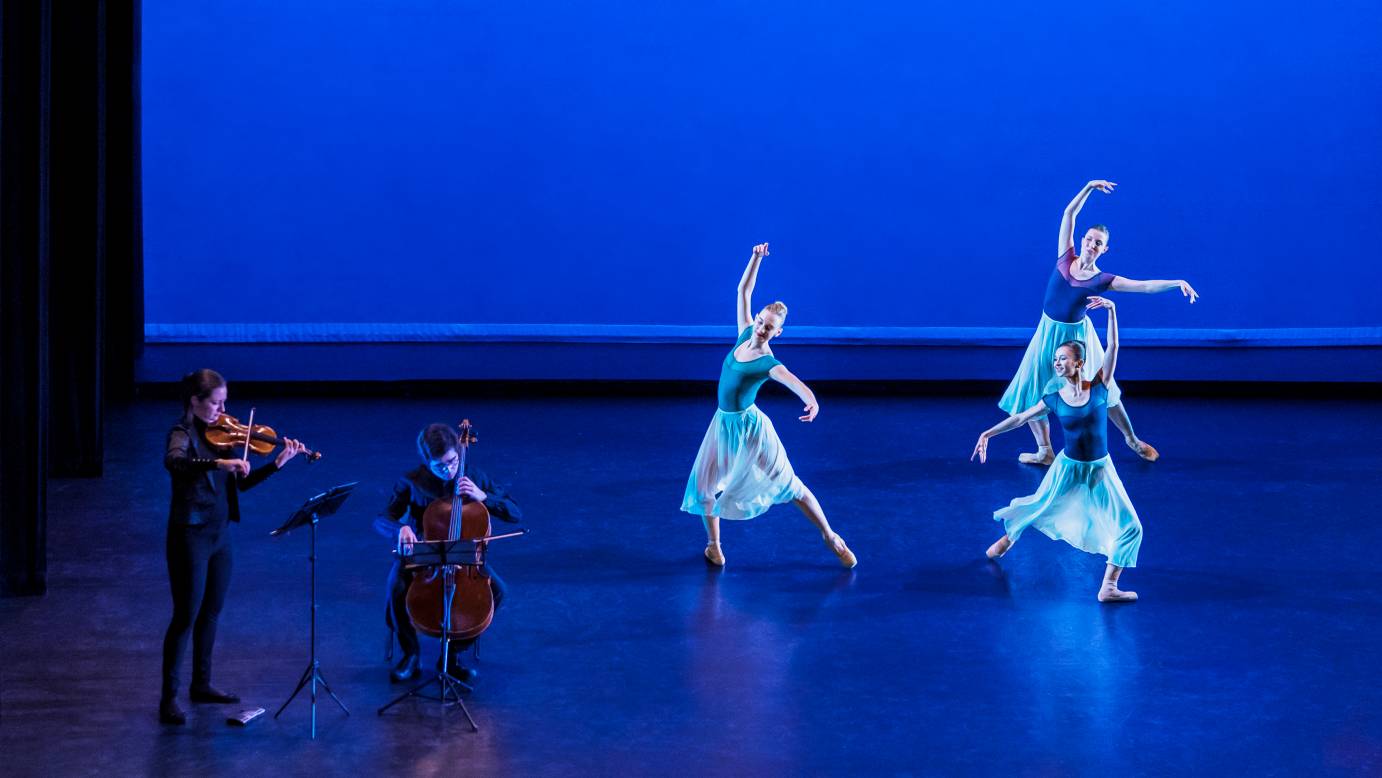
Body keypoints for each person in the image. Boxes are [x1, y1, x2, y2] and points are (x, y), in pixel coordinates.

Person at [998, 179, 1199, 465]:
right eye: (1089, 239)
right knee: (1032, 387)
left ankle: (1131, 439)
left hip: (1077, 338)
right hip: (1047, 333)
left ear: (1105, 250)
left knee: (1103, 387)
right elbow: (1069, 215)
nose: (1092, 245)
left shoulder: (1102, 280)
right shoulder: (1065, 257)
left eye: (1099, 243)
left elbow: (1143, 286)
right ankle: (1044, 450)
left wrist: (1176, 282)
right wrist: (1089, 187)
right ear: (1083, 240)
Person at [680, 242, 856, 569]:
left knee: (790, 485)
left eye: (768, 327)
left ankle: (830, 535)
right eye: (761, 321)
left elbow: (790, 379)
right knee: (703, 487)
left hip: (750, 430)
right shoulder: (743, 333)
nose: (761, 328)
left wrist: (811, 399)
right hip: (723, 425)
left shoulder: (766, 360)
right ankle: (714, 547)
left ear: (778, 333)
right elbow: (743, 290)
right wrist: (756, 258)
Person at [160, 369, 307, 725]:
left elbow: (239, 485)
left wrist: (275, 464)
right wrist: (218, 462)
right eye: (215, 403)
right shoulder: (181, 433)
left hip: (219, 535)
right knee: (185, 616)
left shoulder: (225, 435)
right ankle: (168, 698)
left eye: (224, 403)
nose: (222, 411)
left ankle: (202, 684)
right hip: (190, 535)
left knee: (211, 612)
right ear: (194, 401)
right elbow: (175, 463)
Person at [973, 297, 1142, 603]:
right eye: (1055, 359)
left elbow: (1114, 347)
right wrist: (989, 432)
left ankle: (1109, 586)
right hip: (1067, 466)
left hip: (1100, 468)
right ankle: (1007, 540)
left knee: (1131, 526)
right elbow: (1022, 416)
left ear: (1080, 362)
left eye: (1063, 358)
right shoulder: (1054, 397)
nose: (1057, 363)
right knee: (1041, 504)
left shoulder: (1100, 387)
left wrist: (1113, 312)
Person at [375, 423, 522, 683]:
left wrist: (483, 496)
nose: (449, 470)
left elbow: (515, 512)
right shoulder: (411, 481)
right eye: (439, 466)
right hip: (424, 556)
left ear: (458, 452)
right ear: (426, 462)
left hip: (465, 558)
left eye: (453, 462)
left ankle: (451, 656)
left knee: (499, 593)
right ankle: (411, 654)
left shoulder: (473, 477)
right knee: (395, 588)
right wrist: (401, 528)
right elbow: (382, 519)